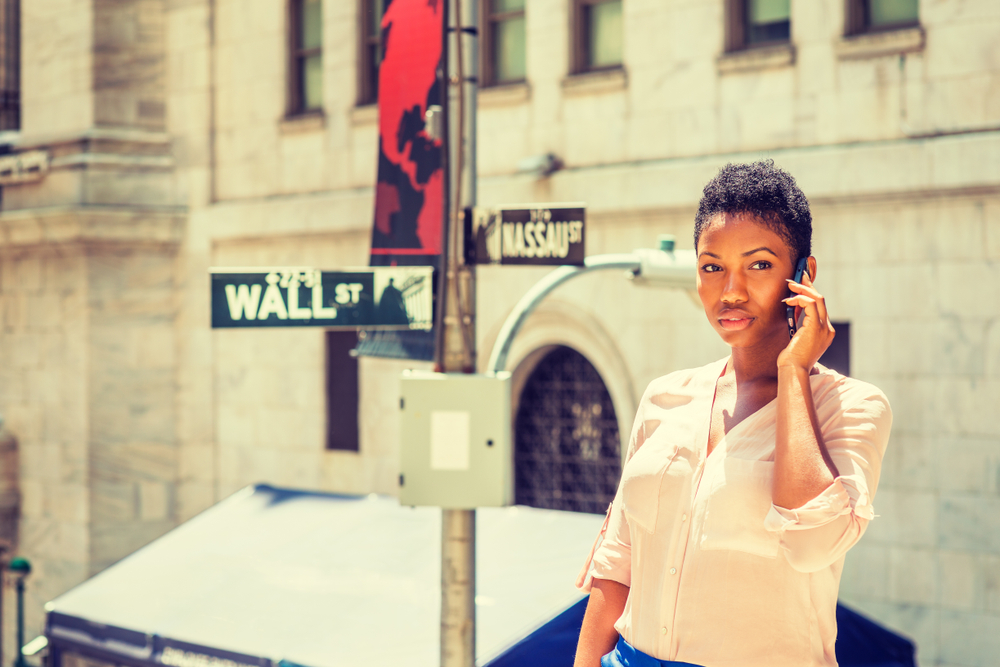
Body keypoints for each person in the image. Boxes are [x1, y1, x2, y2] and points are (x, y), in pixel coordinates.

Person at [573, 161, 892, 667]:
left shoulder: (852, 407)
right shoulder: (663, 397)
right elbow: (618, 561)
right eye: (712, 266)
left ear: (803, 276)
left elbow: (811, 543)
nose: (731, 291)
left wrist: (793, 371)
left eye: (759, 265)